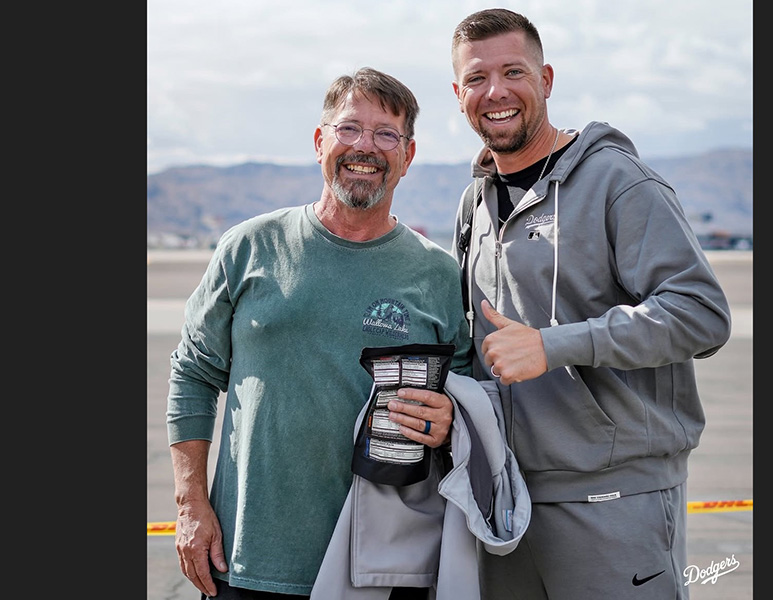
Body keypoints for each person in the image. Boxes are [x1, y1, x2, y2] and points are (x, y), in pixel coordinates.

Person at [449, 8, 732, 599]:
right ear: (459, 94)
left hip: (615, 502)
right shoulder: (473, 204)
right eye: (476, 78)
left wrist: (556, 345)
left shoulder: (616, 182)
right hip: (508, 506)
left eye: (513, 72)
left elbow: (700, 313)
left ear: (546, 79)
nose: (495, 92)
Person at [166, 67, 472, 600]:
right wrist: (191, 503)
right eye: (349, 128)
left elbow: (471, 402)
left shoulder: (440, 276)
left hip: (384, 567)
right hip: (247, 558)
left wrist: (453, 418)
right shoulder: (249, 248)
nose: (365, 147)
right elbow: (192, 374)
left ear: (408, 155)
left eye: (385, 134)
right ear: (319, 141)